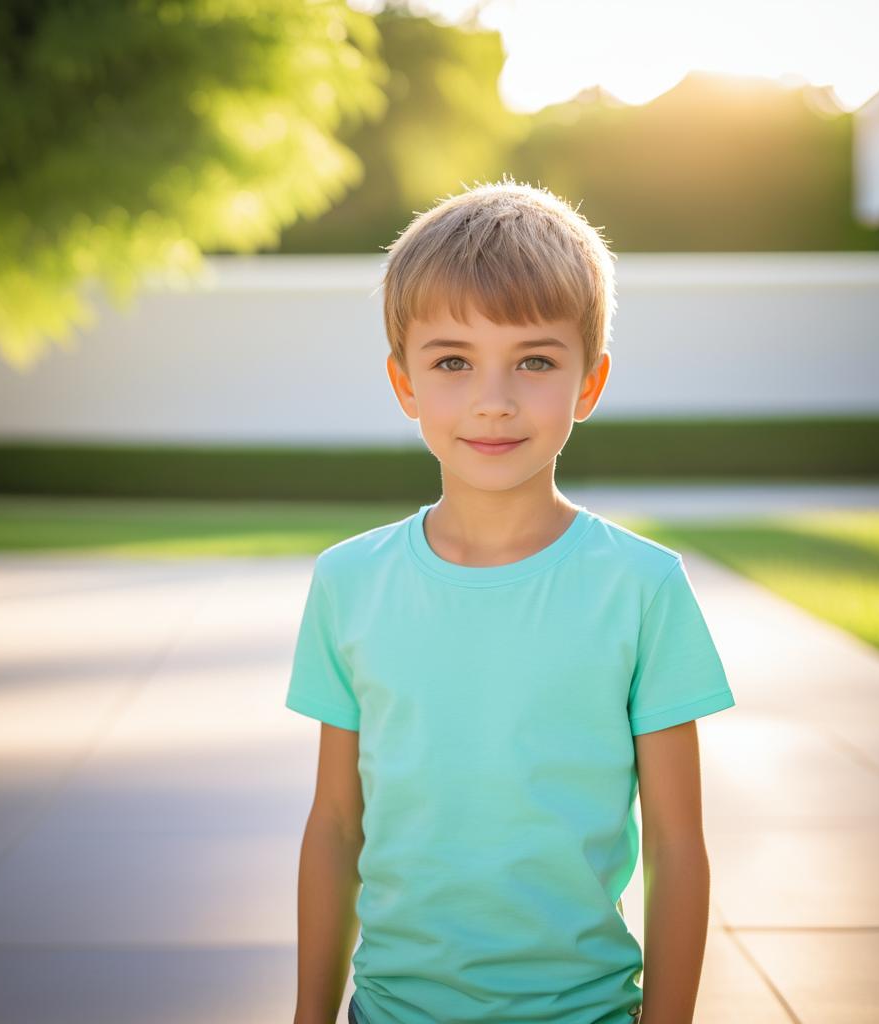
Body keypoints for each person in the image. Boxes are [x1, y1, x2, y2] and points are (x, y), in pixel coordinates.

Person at [286, 177, 736, 1024]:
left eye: (534, 360)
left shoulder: (642, 588)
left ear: (590, 383)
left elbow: (678, 846)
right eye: (453, 361)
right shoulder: (348, 582)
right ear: (404, 383)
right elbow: (336, 825)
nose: (494, 398)